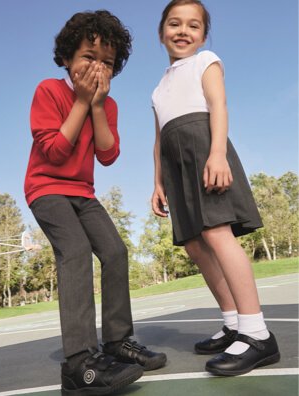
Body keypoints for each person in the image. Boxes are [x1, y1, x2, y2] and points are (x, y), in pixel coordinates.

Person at [24, 10, 166, 395]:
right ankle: (78, 364)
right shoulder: (49, 91)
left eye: (107, 62)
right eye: (88, 56)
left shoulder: (109, 105)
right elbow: (53, 152)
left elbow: (108, 154)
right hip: (46, 188)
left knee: (116, 252)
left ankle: (118, 343)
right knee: (75, 249)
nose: (97, 66)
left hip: (82, 193)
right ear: (68, 58)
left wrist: (98, 105)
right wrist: (81, 101)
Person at [151, 0, 280, 376]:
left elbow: (218, 104)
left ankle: (257, 332)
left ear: (203, 35)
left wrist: (217, 153)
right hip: (175, 165)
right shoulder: (158, 87)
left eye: (193, 25)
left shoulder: (206, 60)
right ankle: (232, 323)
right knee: (193, 242)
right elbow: (158, 139)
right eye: (174, 24)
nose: (183, 31)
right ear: (162, 32)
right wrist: (157, 181)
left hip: (204, 150)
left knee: (217, 233)